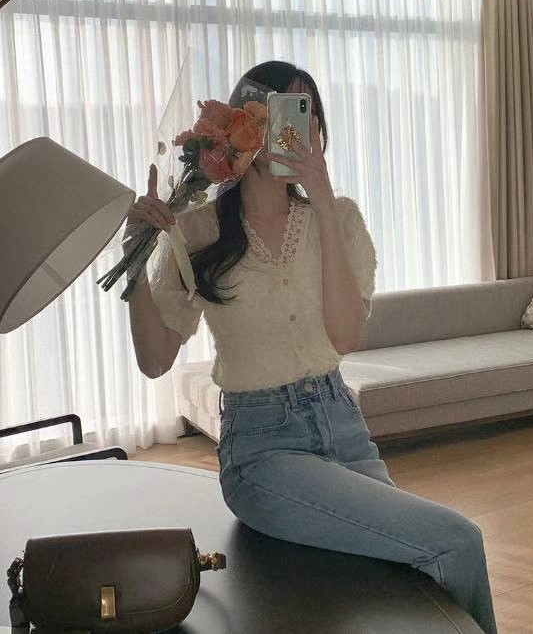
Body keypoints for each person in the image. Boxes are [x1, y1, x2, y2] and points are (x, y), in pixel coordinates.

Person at [126, 60, 497, 634]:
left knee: (406, 584)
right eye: (274, 111)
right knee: (457, 542)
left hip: (343, 426)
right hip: (262, 449)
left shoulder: (339, 218)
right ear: (238, 127)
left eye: (305, 115)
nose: (292, 130)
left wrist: (322, 199)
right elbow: (155, 361)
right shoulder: (197, 230)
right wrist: (134, 258)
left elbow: (345, 336)